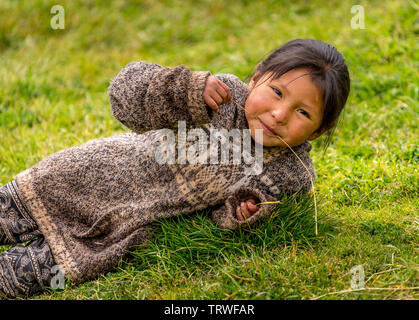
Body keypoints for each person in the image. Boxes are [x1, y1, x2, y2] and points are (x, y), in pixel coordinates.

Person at [0, 39, 350, 298]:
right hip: (73, 182)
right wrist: (184, 90)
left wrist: (241, 214)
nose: (279, 114)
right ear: (256, 77)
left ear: (319, 131)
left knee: (14, 279)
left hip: (114, 237)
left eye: (303, 112)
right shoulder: (221, 98)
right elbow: (124, 95)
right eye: (276, 92)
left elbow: (221, 221)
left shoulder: (293, 175)